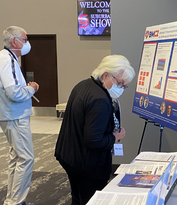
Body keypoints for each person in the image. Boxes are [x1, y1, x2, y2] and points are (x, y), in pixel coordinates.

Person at [54, 55, 135, 205]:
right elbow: (94, 140)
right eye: (120, 83)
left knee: (78, 197)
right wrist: (115, 137)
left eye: (125, 85)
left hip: (70, 155)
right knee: (91, 200)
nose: (122, 88)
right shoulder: (99, 99)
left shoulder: (84, 85)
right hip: (87, 164)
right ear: (105, 75)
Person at [0, 26, 39, 205]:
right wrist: (31, 88)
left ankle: (13, 200)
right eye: (25, 40)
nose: (27, 43)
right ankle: (16, 202)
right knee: (26, 158)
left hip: (10, 115)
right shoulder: (7, 60)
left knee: (17, 157)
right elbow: (15, 93)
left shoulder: (5, 58)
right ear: (14, 41)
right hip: (14, 116)